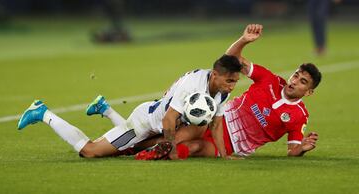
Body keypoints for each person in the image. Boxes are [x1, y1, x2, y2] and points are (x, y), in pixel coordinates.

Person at [137, 24, 322, 160]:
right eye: (296, 75)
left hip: (233, 144)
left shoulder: (299, 116)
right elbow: (230, 61)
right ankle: (131, 148)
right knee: (176, 137)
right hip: (217, 119)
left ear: (309, 92)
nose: (295, 81)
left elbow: (292, 150)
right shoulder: (269, 79)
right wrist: (244, 41)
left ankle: (151, 155)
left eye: (302, 81)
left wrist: (303, 148)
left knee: (193, 147)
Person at [17, 53, 242, 158]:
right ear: (214, 75)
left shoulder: (219, 92)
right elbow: (168, 120)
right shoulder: (194, 85)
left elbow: (217, 124)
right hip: (144, 121)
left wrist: (224, 155)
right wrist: (171, 150)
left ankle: (104, 108)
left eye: (235, 82)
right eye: (229, 80)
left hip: (153, 118)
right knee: (90, 151)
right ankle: (43, 113)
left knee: (137, 147)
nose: (232, 86)